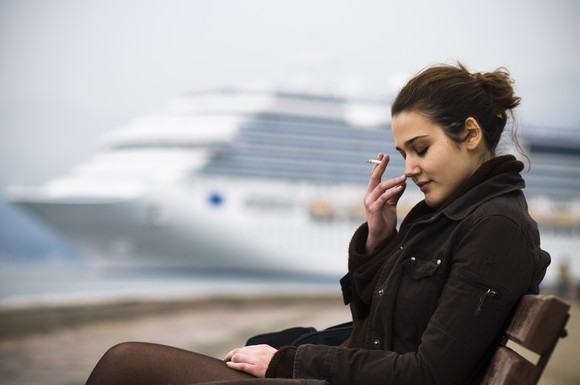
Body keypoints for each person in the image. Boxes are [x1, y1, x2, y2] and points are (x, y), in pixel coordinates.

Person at [84, 62, 550, 385]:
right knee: (157, 362)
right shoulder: (453, 214)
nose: (408, 168)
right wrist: (379, 237)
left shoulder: (494, 226)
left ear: (470, 134)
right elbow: (380, 322)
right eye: (404, 152)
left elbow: (428, 374)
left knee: (127, 364)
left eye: (421, 149)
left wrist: (291, 361)